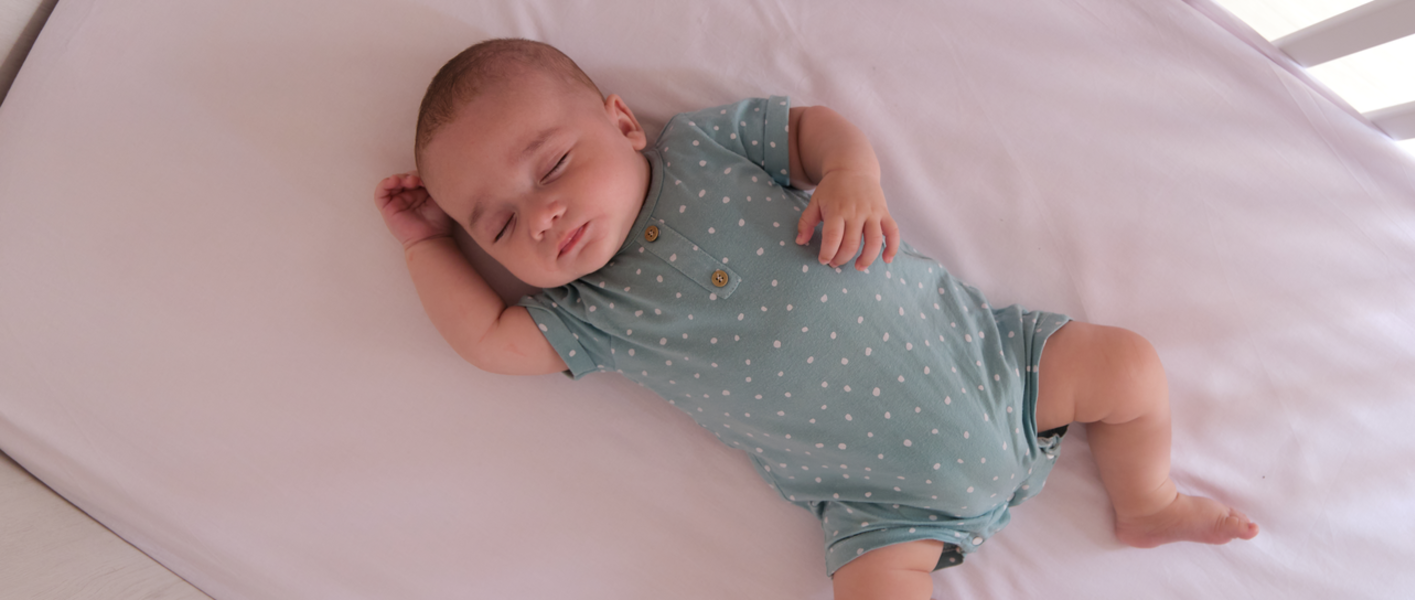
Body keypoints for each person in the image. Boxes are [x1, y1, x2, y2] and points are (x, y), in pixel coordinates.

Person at [374, 38, 1257, 600]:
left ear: (623, 123)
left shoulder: (705, 147)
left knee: (1127, 367)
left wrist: (851, 177)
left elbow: (814, 129)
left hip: (1002, 371)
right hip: (885, 512)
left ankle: (1147, 501)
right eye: (499, 227)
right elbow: (487, 340)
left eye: (554, 166)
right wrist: (426, 245)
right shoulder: (590, 313)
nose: (540, 217)